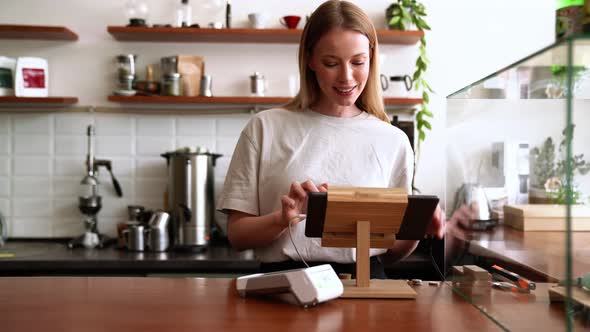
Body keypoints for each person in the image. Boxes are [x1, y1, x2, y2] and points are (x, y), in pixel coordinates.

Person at [216, 0, 445, 278]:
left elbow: (390, 251)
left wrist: (418, 230)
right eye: (331, 63)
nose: (347, 77)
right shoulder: (264, 128)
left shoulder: (393, 140)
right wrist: (282, 219)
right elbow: (238, 236)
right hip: (284, 286)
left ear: (371, 59)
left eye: (358, 62)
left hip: (366, 286)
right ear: (310, 60)